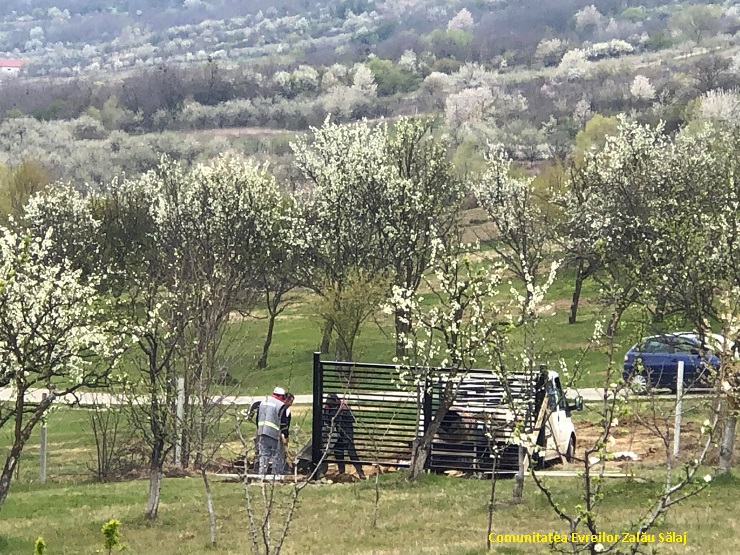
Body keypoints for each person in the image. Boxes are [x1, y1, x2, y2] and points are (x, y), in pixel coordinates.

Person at [323, 393, 365, 479]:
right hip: (336, 434)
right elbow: (326, 421)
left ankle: (360, 472)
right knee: (338, 453)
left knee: (352, 453)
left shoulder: (344, 408)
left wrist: (344, 410)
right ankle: (342, 472)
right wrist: (325, 411)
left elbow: (352, 419)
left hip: (347, 433)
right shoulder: (328, 409)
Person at [256, 386, 286, 475]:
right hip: (273, 433)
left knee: (264, 454)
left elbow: (257, 417)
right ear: (281, 396)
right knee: (277, 453)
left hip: (262, 432)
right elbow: (283, 422)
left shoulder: (263, 401)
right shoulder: (280, 405)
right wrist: (285, 435)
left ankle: (262, 474)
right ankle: (276, 474)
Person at [278, 393, 295, 474]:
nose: (290, 404)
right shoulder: (280, 409)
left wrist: (286, 436)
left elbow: (287, 425)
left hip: (283, 433)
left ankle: (284, 466)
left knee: (284, 451)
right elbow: (281, 424)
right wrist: (282, 435)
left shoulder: (288, 411)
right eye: (290, 401)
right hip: (278, 433)